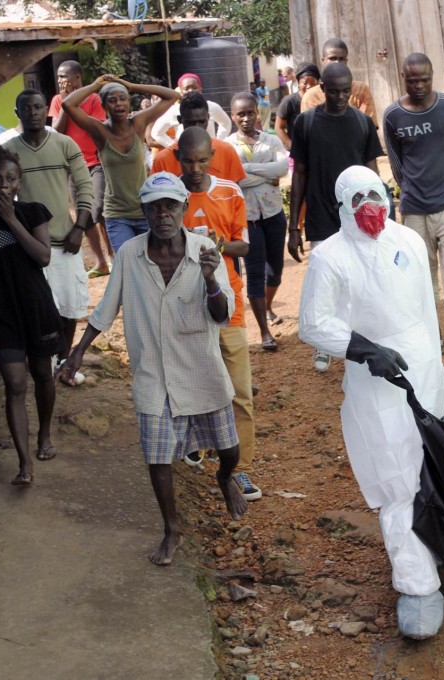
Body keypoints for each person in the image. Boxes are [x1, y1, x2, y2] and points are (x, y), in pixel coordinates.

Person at [59, 172, 248, 566]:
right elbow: (107, 306)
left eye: (170, 206)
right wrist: (77, 353)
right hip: (154, 373)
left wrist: (212, 277)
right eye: (154, 207)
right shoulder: (129, 253)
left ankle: (223, 477)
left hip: (200, 369)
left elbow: (222, 314)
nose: (163, 214)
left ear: (182, 208)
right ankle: (171, 529)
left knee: (229, 449)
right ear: (144, 212)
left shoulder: (205, 250)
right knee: (158, 458)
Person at [298, 166, 444, 640]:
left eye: (376, 192)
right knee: (397, 477)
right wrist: (364, 349)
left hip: (423, 367)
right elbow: (313, 324)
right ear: (341, 203)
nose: (370, 203)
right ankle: (418, 585)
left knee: (435, 465)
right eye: (358, 196)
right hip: (374, 378)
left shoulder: (408, 240)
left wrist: (437, 359)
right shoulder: (330, 257)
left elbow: (426, 306)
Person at [0, 147, 63, 486]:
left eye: (10, 179)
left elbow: (43, 257)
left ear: (19, 182)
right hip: (2, 313)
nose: (3, 185)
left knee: (42, 376)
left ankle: (44, 435)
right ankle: (24, 464)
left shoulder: (33, 213)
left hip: (35, 307)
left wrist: (10, 220)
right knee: (15, 384)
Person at [174, 127, 262, 501]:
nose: (196, 168)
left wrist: (217, 243)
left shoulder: (229, 192)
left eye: (202, 160)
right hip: (184, 307)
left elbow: (244, 245)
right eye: (189, 161)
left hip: (229, 306)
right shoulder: (169, 196)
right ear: (178, 158)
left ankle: (241, 469)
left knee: (239, 390)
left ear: (212, 157)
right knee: (194, 384)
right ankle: (198, 446)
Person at [289, 63, 383, 372]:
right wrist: (293, 226)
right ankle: (323, 345)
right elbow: (299, 174)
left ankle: (362, 338)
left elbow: (373, 176)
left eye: (345, 91)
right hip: (321, 215)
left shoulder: (362, 123)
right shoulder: (306, 123)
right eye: (333, 91)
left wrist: (383, 215)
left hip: (358, 218)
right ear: (322, 89)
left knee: (362, 277)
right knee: (323, 282)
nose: (340, 97)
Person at [3, 89, 94, 389]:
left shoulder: (64, 144)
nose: (33, 112)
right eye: (26, 107)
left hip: (65, 242)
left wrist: (79, 228)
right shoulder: (10, 151)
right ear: (17, 113)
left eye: (39, 107)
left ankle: (63, 363)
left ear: (47, 111)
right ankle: (46, 365)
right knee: (40, 311)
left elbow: (85, 187)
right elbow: (4, 194)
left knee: (69, 309)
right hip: (30, 248)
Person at [383, 53, 444, 353]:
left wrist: (443, 184)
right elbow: (396, 164)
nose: (419, 85)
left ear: (433, 76)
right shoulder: (393, 115)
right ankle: (432, 335)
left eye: (425, 79)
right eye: (412, 80)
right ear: (403, 78)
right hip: (415, 209)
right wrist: (413, 190)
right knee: (421, 273)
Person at [61, 74, 179, 251]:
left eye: (123, 99)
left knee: (153, 265)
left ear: (129, 103)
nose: (119, 104)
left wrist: (131, 85)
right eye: (112, 100)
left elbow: (172, 95)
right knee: (128, 265)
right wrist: (95, 85)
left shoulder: (138, 123)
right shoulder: (100, 131)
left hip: (145, 211)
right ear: (103, 106)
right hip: (117, 215)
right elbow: (68, 104)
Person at [229, 92, 289, 352]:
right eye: (240, 114)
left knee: (275, 270)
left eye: (250, 112)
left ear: (257, 113)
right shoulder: (227, 146)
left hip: (273, 213)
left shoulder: (271, 141)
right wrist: (266, 175)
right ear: (233, 116)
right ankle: (265, 332)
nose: (245, 118)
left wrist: (248, 170)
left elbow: (283, 169)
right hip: (247, 218)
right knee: (254, 273)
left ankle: (266, 307)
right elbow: (235, 179)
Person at [49, 59, 113, 277]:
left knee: (97, 210)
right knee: (83, 215)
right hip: (73, 166)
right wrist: (67, 103)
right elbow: (56, 130)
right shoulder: (58, 101)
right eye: (58, 76)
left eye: (64, 76)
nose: (60, 80)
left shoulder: (94, 99)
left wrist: (73, 103)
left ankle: (114, 257)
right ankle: (101, 262)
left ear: (78, 78)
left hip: (96, 163)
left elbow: (95, 127)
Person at [151, 92, 246, 184]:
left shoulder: (226, 151)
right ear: (180, 120)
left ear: (208, 118)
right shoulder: (163, 160)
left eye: (201, 122)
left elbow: (236, 193)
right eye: (190, 122)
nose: (197, 127)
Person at [299, 39, 376, 121]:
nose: (337, 62)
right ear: (323, 61)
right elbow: (311, 131)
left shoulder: (360, 89)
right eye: (332, 58)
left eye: (342, 59)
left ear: (346, 61)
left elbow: (369, 126)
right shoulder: (311, 96)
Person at [151, 72, 233, 146]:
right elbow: (156, 133)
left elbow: (226, 123)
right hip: (185, 155)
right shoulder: (174, 111)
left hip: (209, 152)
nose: (191, 91)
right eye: (186, 89)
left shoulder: (212, 107)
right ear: (180, 91)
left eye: (194, 88)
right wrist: (174, 146)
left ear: (200, 89)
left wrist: (218, 141)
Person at [274, 62, 319, 151]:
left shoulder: (322, 100)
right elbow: (278, 127)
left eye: (313, 83)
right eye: (305, 83)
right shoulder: (289, 101)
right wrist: (293, 147)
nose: (309, 86)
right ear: (298, 83)